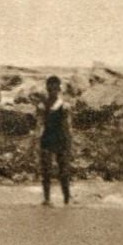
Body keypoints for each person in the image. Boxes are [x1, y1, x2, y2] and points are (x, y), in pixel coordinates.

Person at [39, 75, 72, 205]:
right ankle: (48, 199)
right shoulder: (42, 106)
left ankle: (66, 199)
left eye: (55, 87)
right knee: (46, 171)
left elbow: (68, 126)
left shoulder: (65, 106)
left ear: (58, 88)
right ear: (47, 88)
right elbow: (40, 124)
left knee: (63, 171)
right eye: (50, 87)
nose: (53, 89)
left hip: (60, 138)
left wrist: (69, 142)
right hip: (48, 138)